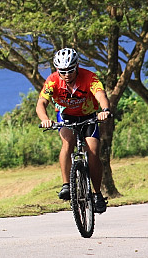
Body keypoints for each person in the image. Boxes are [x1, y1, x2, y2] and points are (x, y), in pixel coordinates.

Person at [36, 47, 112, 213]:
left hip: (88, 116)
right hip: (66, 117)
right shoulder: (52, 81)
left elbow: (100, 95)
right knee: (68, 142)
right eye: (62, 71)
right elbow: (41, 103)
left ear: (77, 66)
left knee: (92, 151)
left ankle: (97, 194)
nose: (67, 74)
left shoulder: (90, 77)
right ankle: (66, 185)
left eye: (70, 70)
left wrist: (105, 110)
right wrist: (45, 120)